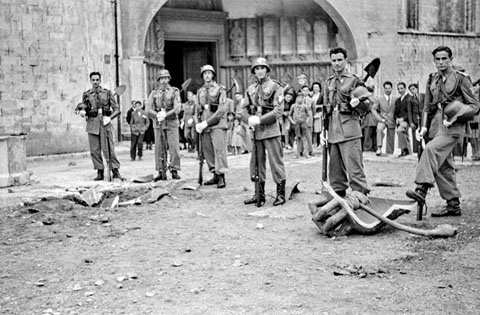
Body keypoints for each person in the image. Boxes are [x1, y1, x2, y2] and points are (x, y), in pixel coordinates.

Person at [406, 46, 480, 217]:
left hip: (453, 125)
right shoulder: (432, 78)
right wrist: (423, 126)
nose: (440, 62)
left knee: (431, 150)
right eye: (437, 59)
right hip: (435, 124)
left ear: (450, 59)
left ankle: (421, 189)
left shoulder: (462, 79)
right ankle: (453, 205)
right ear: (434, 61)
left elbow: (475, 105)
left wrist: (455, 116)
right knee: (443, 165)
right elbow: (426, 106)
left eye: (444, 59)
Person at [323, 47, 370, 197]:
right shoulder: (329, 82)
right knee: (335, 170)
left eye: (339, 60)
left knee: (354, 168)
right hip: (332, 129)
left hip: (349, 128)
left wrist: (358, 104)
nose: (337, 63)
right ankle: (339, 199)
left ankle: (360, 197)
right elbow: (326, 108)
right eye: (334, 60)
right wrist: (324, 131)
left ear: (346, 61)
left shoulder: (354, 80)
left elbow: (367, 106)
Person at [240, 57, 287, 206]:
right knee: (256, 162)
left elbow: (278, 110)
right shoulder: (250, 89)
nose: (260, 71)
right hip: (256, 131)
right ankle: (258, 193)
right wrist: (248, 119)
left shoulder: (275, 87)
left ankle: (280, 194)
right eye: (257, 69)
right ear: (254, 71)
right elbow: (242, 109)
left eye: (262, 68)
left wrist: (260, 120)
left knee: (275, 162)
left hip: (271, 129)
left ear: (267, 70)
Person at [79, 72, 124, 181]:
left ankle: (115, 171)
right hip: (92, 124)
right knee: (94, 150)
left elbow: (117, 110)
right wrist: (82, 112)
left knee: (109, 148)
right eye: (93, 80)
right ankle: (100, 171)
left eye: (97, 80)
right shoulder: (86, 94)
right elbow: (83, 107)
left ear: (100, 81)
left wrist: (109, 118)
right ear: (90, 81)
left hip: (105, 123)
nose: (95, 82)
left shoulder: (108, 93)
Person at [195, 64, 228, 188]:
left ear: (213, 75)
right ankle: (214, 173)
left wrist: (207, 122)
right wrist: (198, 123)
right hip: (204, 125)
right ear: (202, 76)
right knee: (208, 151)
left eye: (209, 73)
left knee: (219, 150)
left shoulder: (220, 89)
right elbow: (197, 109)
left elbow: (221, 110)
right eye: (205, 73)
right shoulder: (200, 91)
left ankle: (221, 176)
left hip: (217, 124)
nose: (207, 75)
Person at [146, 69, 182, 181]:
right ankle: (161, 171)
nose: (164, 81)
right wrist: (157, 115)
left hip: (171, 122)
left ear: (169, 79)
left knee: (174, 147)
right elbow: (148, 108)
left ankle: (174, 169)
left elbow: (177, 108)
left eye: (166, 78)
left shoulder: (175, 91)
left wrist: (165, 114)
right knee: (159, 148)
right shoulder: (154, 93)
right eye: (161, 79)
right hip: (158, 123)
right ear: (158, 80)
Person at [372, 81, 397, 155]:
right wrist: (379, 118)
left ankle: (390, 152)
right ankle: (379, 148)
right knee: (379, 129)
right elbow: (373, 109)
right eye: (386, 88)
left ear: (391, 88)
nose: (387, 90)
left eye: (389, 88)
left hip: (392, 119)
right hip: (382, 119)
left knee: (391, 135)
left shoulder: (395, 98)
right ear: (384, 89)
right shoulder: (380, 99)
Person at [289, 93, 310, 158]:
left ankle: (306, 153)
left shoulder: (305, 106)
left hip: (303, 123)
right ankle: (297, 153)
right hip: (296, 123)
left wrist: (306, 121)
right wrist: (292, 121)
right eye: (298, 97)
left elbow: (308, 115)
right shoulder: (293, 106)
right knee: (298, 138)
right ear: (296, 98)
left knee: (304, 138)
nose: (300, 99)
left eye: (301, 97)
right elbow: (289, 115)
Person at [394, 82, 413, 157]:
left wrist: (403, 118)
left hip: (407, 120)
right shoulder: (398, 100)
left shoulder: (409, 98)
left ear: (405, 88)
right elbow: (395, 112)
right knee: (405, 135)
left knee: (400, 131)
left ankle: (405, 149)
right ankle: (406, 151)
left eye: (401, 88)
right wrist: (397, 118)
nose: (400, 90)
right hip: (399, 120)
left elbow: (410, 111)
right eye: (398, 89)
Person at [408, 83, 425, 155]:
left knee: (423, 134)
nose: (412, 91)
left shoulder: (423, 96)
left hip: (423, 118)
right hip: (415, 118)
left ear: (417, 88)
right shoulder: (410, 99)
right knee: (415, 134)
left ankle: (424, 149)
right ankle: (416, 150)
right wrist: (411, 122)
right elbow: (409, 111)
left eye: (413, 89)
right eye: (411, 90)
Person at [311, 82, 323, 148]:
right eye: (314, 87)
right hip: (312, 113)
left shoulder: (321, 95)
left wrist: (318, 106)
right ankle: (314, 143)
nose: (315, 88)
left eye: (317, 87)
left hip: (318, 113)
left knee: (318, 128)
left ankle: (319, 143)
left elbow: (323, 104)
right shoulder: (311, 95)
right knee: (313, 129)